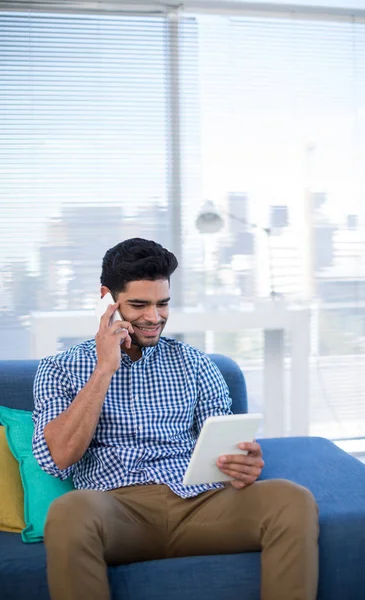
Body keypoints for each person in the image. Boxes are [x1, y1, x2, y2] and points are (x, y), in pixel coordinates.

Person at [32, 237, 319, 600]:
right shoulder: (59, 368)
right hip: (117, 510)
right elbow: (58, 457)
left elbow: (224, 443)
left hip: (200, 504)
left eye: (162, 304)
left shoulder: (196, 364)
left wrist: (243, 462)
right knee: (68, 512)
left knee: (292, 500)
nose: (154, 317)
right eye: (139, 305)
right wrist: (104, 368)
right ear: (107, 298)